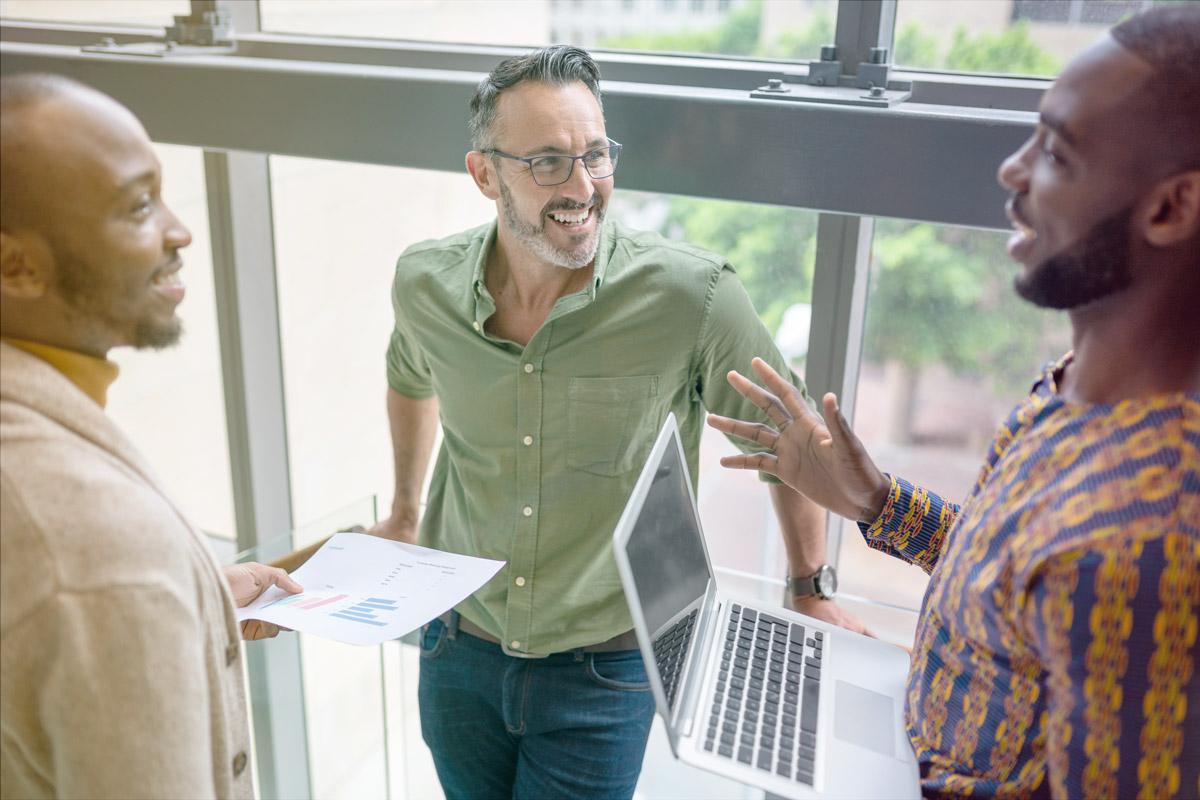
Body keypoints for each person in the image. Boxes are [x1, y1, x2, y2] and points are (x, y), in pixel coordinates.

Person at [708, 7, 1200, 797]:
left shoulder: (1154, 542)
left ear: (1171, 208)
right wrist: (874, 500)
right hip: (912, 739)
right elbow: (1010, 572)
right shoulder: (1072, 384)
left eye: (1058, 154)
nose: (1013, 170)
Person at [368, 44, 856, 798]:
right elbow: (408, 377)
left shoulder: (692, 297)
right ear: (484, 174)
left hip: (604, 672)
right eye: (549, 162)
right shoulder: (423, 283)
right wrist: (404, 512)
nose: (584, 187)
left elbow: (787, 438)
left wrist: (808, 585)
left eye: (596, 155)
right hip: (456, 649)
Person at [0, 73, 303, 799]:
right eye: (138, 206)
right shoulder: (102, 549)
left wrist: (192, 598)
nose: (180, 229)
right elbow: (85, 574)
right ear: (17, 266)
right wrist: (134, 594)